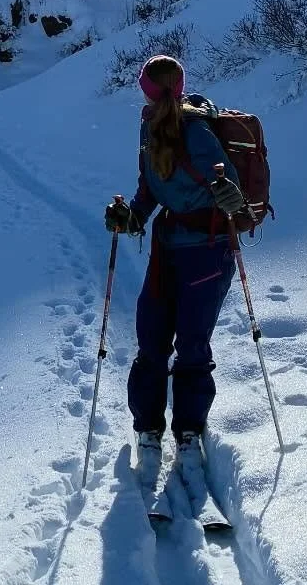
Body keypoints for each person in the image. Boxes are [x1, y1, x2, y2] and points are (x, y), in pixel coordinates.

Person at [104, 53, 246, 495]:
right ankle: (148, 428)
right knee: (151, 336)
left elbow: (232, 189)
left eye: (144, 85)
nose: (141, 93)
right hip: (167, 248)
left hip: (207, 250)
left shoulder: (196, 129)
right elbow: (150, 188)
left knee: (191, 343)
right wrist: (130, 216)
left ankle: (187, 432)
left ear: (153, 88)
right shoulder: (148, 126)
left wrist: (229, 194)